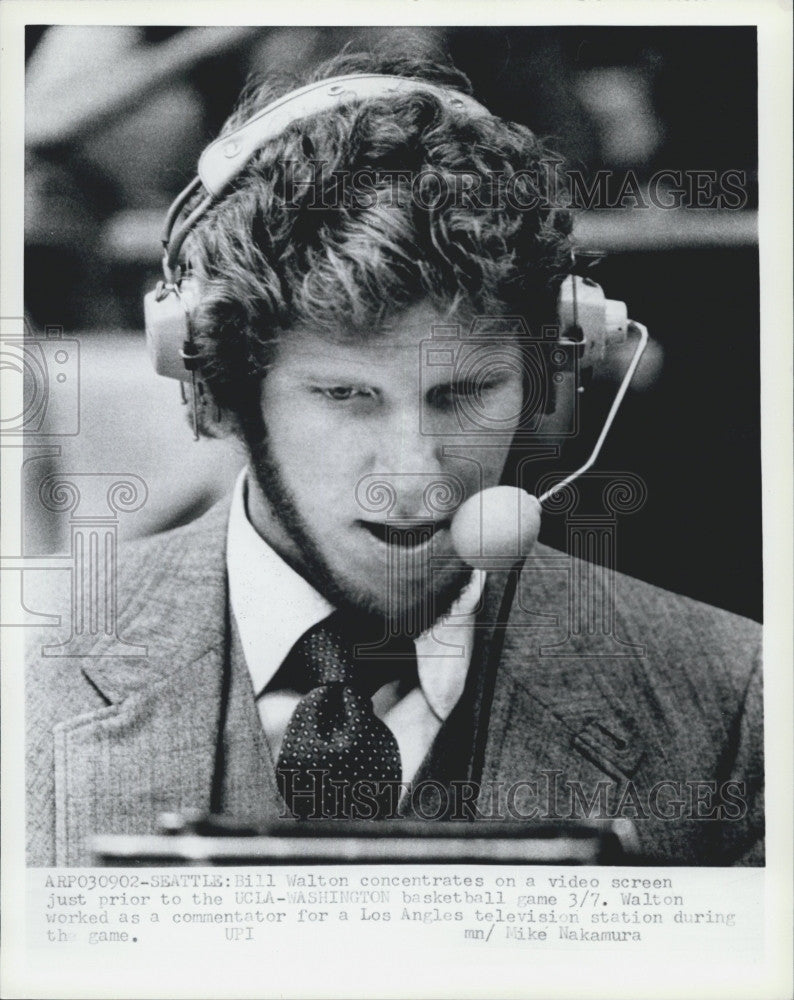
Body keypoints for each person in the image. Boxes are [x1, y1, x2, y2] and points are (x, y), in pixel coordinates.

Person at [25, 48, 763, 866]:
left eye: (464, 393)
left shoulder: (737, 701)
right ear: (219, 386)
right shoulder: (19, 676)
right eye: (344, 396)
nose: (413, 474)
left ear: (551, 374)